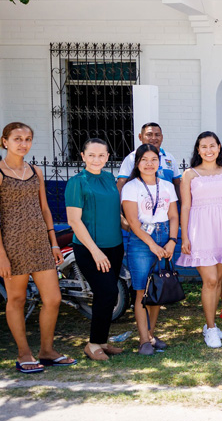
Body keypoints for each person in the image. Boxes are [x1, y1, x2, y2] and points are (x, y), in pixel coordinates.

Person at [0, 122, 72, 372]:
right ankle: (24, 354)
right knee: (17, 298)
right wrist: (1, 256)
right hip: (12, 245)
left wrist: (54, 243)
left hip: (40, 242)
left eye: (28, 139)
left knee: (53, 298)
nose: (24, 144)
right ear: (5, 141)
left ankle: (47, 351)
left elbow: (44, 209)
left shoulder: (35, 171)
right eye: (17, 139)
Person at [176, 132, 222, 349]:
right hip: (200, 229)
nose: (208, 150)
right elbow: (185, 206)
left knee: (218, 280)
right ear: (198, 149)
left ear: (219, 147)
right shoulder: (190, 174)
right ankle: (211, 329)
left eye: (212, 145)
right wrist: (184, 236)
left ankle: (210, 324)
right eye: (203, 146)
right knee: (211, 280)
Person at [66, 138, 125, 361]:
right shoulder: (77, 182)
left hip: (115, 246)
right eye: (91, 155)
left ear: (108, 157)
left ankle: (101, 341)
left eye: (101, 155)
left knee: (108, 296)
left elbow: (114, 212)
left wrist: (130, 225)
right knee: (107, 292)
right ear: (83, 156)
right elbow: (74, 221)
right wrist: (95, 251)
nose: (96, 159)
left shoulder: (109, 178)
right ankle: (92, 345)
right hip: (90, 249)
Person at [121, 144, 179, 356]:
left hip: (165, 236)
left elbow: (173, 216)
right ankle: (143, 340)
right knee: (141, 290)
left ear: (159, 162)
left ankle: (151, 335)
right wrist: (152, 245)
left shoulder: (167, 185)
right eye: (144, 159)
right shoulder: (131, 187)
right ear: (137, 163)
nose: (149, 163)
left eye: (153, 159)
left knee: (157, 287)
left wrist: (172, 241)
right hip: (141, 241)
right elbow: (133, 223)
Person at [116, 122, 182, 197]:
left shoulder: (169, 157)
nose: (153, 138)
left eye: (157, 135)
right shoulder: (132, 158)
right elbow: (121, 184)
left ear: (162, 137)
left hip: (167, 202)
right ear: (140, 137)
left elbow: (177, 184)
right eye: (149, 135)